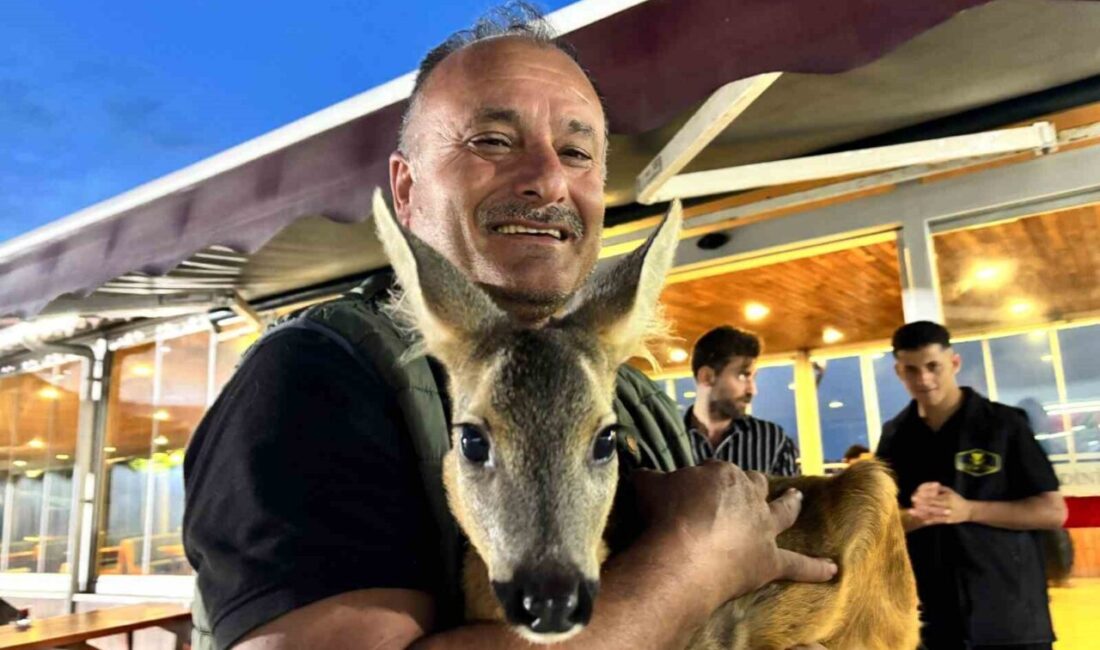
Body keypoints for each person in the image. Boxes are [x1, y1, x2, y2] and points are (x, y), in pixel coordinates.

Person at [182, 5, 836, 650]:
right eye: (493, 141)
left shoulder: (627, 395)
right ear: (406, 191)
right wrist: (692, 569)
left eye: (577, 152)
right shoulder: (319, 376)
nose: (549, 179)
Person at [875, 321, 1068, 650]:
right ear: (898, 371)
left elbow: (1052, 511)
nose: (924, 379)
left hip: (1010, 620)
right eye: (911, 369)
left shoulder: (1005, 425)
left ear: (954, 363)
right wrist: (916, 516)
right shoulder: (896, 436)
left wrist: (968, 510)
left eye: (933, 366)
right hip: (929, 622)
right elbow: (882, 521)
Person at [686, 326, 800, 475]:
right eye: (743, 376)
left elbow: (791, 497)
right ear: (706, 377)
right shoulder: (666, 440)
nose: (752, 390)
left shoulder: (773, 440)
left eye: (754, 378)